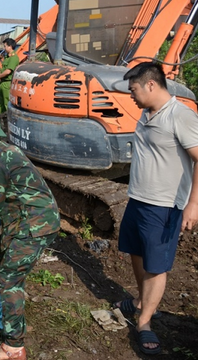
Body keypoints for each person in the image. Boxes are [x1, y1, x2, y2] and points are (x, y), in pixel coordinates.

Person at [112, 62, 198, 355]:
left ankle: (145, 322)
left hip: (164, 205)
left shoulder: (180, 116)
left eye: (133, 89)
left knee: (155, 265)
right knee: (136, 252)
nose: (131, 96)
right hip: (139, 198)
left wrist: (193, 204)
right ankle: (139, 301)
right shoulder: (147, 113)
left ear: (151, 85)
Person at [0, 112, 60, 360]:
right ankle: (15, 315)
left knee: (8, 278)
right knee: (11, 269)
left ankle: (13, 348)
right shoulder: (3, 152)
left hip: (34, 224)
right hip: (31, 219)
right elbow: (4, 195)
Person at [0, 38, 19, 114]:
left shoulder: (14, 58)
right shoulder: (7, 57)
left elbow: (8, 71)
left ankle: (6, 120)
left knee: (6, 103)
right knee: (0, 104)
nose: (4, 48)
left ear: (10, 46)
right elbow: (3, 69)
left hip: (7, 83)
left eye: (5, 46)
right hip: (2, 83)